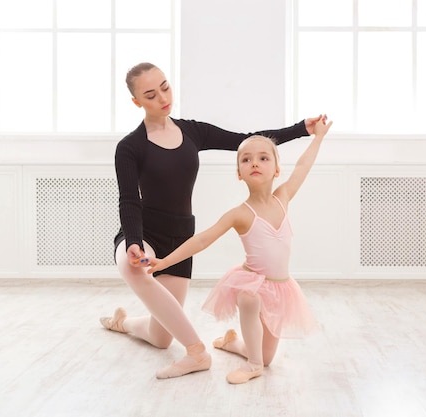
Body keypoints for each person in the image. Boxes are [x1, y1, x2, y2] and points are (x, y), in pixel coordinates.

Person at [99, 62, 323, 379]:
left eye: (165, 86)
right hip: (142, 231)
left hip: (179, 235)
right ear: (137, 102)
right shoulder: (130, 147)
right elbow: (129, 200)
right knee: (134, 267)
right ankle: (197, 353)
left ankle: (122, 322)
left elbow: (248, 140)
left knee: (161, 337)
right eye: (150, 94)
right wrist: (134, 241)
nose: (162, 97)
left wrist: (302, 128)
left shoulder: (193, 132)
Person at [146, 115, 333, 384]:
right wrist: (164, 263)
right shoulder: (240, 214)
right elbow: (203, 239)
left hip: (280, 287)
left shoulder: (283, 198)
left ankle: (234, 344)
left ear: (277, 170)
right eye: (246, 159)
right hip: (253, 282)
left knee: (269, 357)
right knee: (248, 298)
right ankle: (252, 365)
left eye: (263, 158)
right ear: (239, 173)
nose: (254, 162)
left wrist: (318, 137)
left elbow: (303, 166)